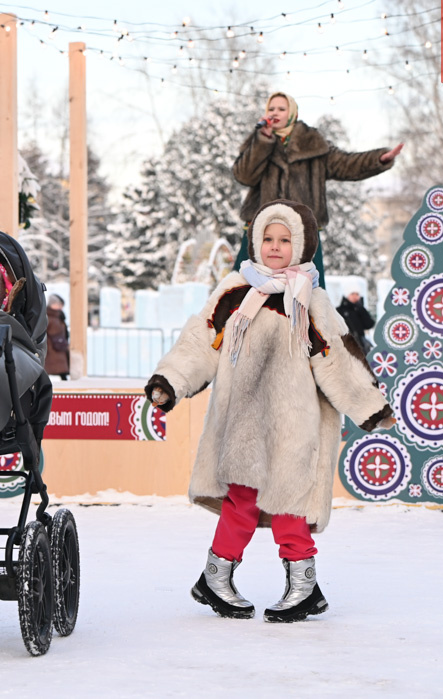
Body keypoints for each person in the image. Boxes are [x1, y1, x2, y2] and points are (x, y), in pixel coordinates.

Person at [145, 199, 395, 623]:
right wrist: (170, 381)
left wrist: (368, 406)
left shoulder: (311, 301)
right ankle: (215, 578)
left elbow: (337, 357)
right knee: (240, 503)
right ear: (255, 241)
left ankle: (303, 585)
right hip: (241, 425)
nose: (275, 246)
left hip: (294, 426)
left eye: (285, 239)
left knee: (289, 503)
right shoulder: (233, 293)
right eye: (267, 238)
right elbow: (199, 343)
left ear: (300, 246)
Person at [232, 91, 403, 287]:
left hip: (302, 232)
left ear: (292, 112)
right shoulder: (258, 142)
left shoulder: (313, 143)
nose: (275, 113)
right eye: (271, 109)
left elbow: (346, 164)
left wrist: (379, 159)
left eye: (281, 108)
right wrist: (263, 141)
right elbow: (243, 175)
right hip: (262, 232)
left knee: (307, 294)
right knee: (243, 290)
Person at [336, 280, 375, 353]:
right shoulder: (339, 310)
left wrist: (361, 309)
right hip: (345, 345)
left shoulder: (360, 309)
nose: (355, 296)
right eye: (352, 293)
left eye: (357, 294)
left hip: (361, 345)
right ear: (347, 294)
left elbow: (369, 324)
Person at [45, 294, 70, 380]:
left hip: (59, 345)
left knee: (61, 369)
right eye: (59, 305)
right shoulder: (48, 316)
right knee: (48, 368)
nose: (61, 307)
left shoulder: (58, 316)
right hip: (50, 347)